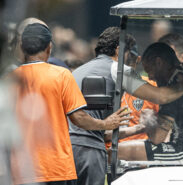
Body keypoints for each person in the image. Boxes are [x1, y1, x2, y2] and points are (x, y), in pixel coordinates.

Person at [69, 27, 183, 185]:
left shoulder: (76, 72)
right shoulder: (117, 69)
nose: (132, 63)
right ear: (119, 51)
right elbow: (162, 96)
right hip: (89, 150)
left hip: (66, 148)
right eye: (130, 56)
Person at [11, 23, 131, 185]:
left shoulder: (9, 79)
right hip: (56, 168)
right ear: (49, 47)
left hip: (21, 170)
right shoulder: (61, 75)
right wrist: (105, 123)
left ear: (22, 47)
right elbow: (79, 117)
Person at [116, 42, 183, 161]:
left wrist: (148, 120)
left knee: (117, 152)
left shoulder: (174, 87)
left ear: (159, 63)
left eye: (149, 70)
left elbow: (157, 138)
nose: (149, 77)